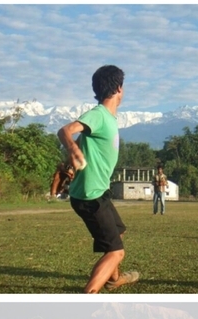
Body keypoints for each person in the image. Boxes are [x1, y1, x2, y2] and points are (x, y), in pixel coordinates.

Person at [58, 65, 139, 294]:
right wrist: (73, 148)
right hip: (89, 195)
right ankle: (88, 296)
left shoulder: (109, 117)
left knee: (118, 232)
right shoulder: (98, 115)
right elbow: (65, 130)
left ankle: (114, 278)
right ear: (119, 88)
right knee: (116, 251)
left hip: (98, 192)